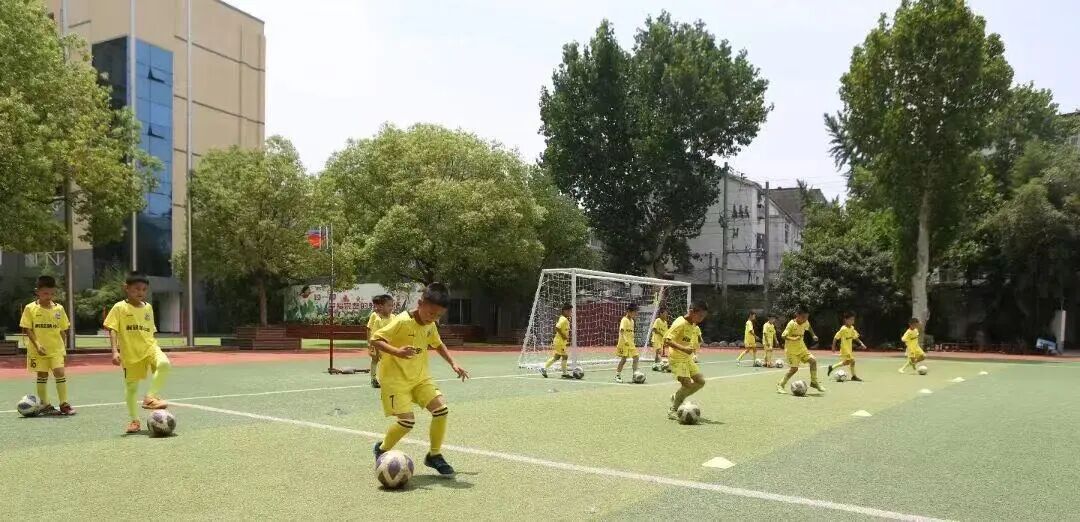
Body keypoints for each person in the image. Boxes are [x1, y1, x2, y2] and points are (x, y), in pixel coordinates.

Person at [371, 283, 469, 477]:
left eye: (438, 316)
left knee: (441, 410)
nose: (433, 318)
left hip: (420, 378)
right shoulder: (402, 321)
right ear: (420, 303)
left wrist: (453, 363)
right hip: (395, 380)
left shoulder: (430, 324)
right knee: (407, 422)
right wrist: (397, 352)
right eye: (431, 313)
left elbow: (438, 344)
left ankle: (434, 455)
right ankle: (382, 449)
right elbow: (375, 339)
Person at [104, 272, 171, 434]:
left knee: (164, 364)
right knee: (132, 388)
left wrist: (154, 346)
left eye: (144, 289)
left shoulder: (148, 307)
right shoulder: (119, 307)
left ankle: (150, 397)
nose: (140, 292)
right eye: (136, 289)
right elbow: (112, 329)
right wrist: (114, 351)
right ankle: (134, 420)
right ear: (126, 288)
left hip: (150, 347)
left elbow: (150, 330)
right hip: (131, 353)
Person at [20, 275, 74, 415]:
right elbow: (28, 329)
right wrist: (37, 345)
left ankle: (64, 404)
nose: (48, 296)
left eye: (51, 293)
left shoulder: (59, 309)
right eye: (45, 293)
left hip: (56, 349)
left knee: (59, 372)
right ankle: (45, 405)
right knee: (42, 375)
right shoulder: (30, 308)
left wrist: (64, 349)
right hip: (37, 350)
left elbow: (63, 330)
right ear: (37, 291)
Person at [664, 302, 710, 419]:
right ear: (691, 312)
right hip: (677, 359)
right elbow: (667, 340)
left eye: (703, 316)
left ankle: (677, 396)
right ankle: (673, 410)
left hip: (687, 358)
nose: (701, 319)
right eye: (700, 316)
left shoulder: (693, 324)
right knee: (687, 385)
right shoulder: (680, 323)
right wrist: (684, 348)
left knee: (700, 381)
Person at [776, 307, 825, 394]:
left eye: (807, 317)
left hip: (802, 348)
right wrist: (793, 339)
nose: (805, 319)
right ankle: (780, 385)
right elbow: (783, 336)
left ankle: (814, 382)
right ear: (797, 315)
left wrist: (813, 335)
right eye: (803, 317)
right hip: (791, 351)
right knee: (794, 369)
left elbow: (809, 327)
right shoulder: (791, 324)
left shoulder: (805, 322)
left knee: (813, 361)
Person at [365, 294, 395, 388]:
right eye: (389, 305)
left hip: (387, 344)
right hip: (376, 342)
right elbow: (369, 328)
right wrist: (369, 342)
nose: (391, 307)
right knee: (375, 359)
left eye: (392, 305)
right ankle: (373, 379)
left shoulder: (394, 317)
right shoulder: (375, 315)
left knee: (388, 361)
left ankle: (388, 379)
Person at [828, 312, 867, 381]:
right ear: (846, 320)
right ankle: (854, 376)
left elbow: (855, 337)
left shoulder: (852, 328)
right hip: (844, 349)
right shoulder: (843, 329)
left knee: (848, 362)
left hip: (849, 349)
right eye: (851, 319)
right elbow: (836, 337)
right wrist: (833, 347)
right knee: (852, 361)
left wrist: (861, 343)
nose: (853, 321)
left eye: (853, 319)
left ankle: (832, 367)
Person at [541, 303, 573, 378]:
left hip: (560, 342)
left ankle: (544, 368)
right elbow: (557, 327)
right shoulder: (563, 319)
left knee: (557, 357)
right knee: (565, 356)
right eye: (569, 311)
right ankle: (564, 374)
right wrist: (563, 336)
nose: (570, 312)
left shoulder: (564, 318)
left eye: (571, 311)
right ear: (565, 311)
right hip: (560, 342)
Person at [614, 303, 640, 383]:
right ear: (629, 311)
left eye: (636, 312)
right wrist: (625, 341)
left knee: (636, 357)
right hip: (624, 343)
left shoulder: (632, 321)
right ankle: (617, 375)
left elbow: (631, 333)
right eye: (634, 312)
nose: (635, 313)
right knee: (624, 359)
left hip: (631, 343)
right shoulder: (624, 320)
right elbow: (622, 332)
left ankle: (635, 375)